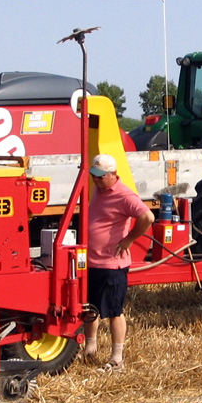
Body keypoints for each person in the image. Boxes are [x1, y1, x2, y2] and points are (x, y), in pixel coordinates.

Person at [84, 153, 154, 372]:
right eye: (93, 175)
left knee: (114, 311)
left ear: (113, 175)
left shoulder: (124, 195)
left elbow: (147, 217)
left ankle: (117, 358)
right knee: (90, 309)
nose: (96, 180)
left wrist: (129, 239)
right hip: (92, 262)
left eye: (100, 176)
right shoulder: (99, 189)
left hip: (111, 264)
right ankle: (90, 349)